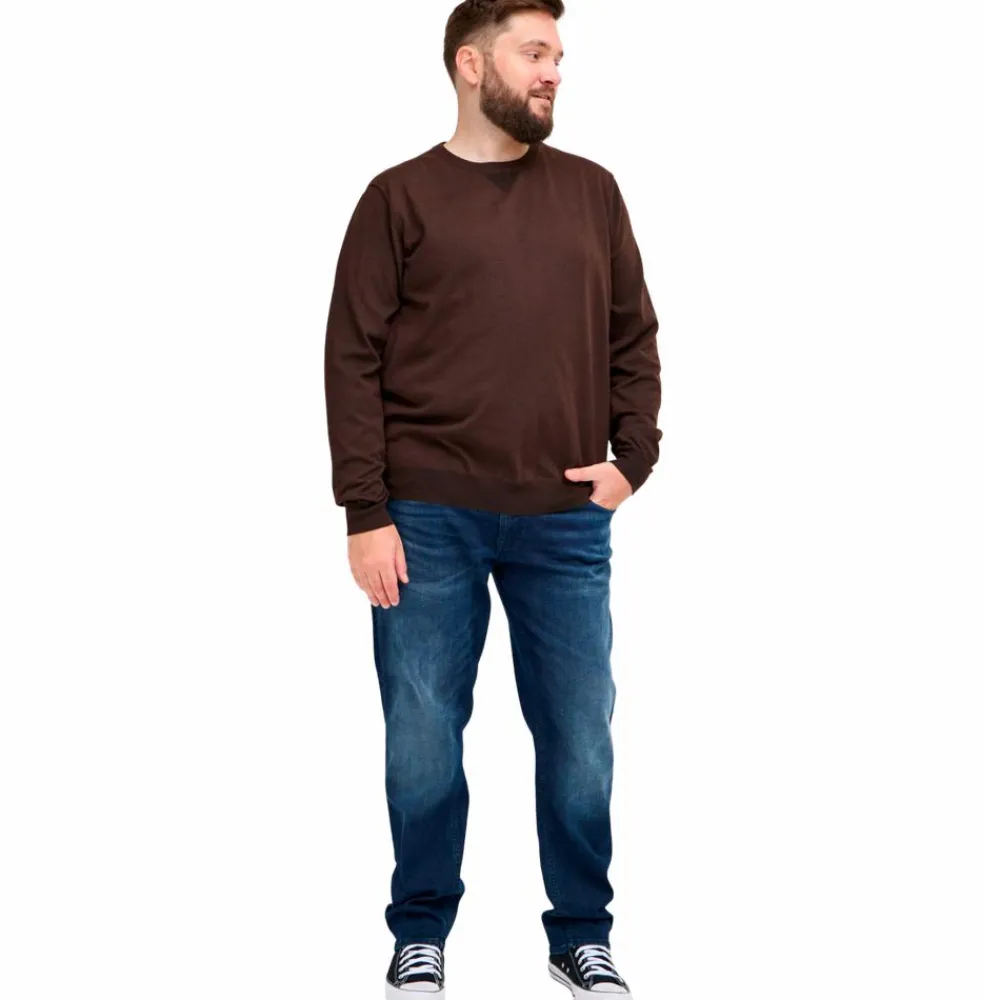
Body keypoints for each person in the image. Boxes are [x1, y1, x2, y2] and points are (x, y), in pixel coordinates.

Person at [323, 1, 660, 995]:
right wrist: (365, 512)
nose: (554, 71)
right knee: (422, 735)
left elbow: (633, 335)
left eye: (559, 54)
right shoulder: (398, 198)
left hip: (566, 520)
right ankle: (420, 929)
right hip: (426, 518)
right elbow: (352, 358)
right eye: (534, 52)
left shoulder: (593, 192)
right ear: (472, 65)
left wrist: (633, 460)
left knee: (581, 736)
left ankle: (580, 932)